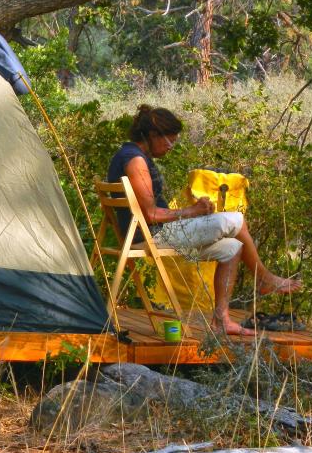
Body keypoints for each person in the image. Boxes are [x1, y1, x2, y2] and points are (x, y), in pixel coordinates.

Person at [107, 104, 301, 336]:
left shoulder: (131, 155)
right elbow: (150, 214)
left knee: (232, 248)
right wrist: (193, 210)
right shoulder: (135, 160)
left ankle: (222, 320)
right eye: (169, 141)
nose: (170, 147)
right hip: (152, 235)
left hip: (153, 233)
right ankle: (263, 279)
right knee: (236, 219)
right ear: (152, 135)